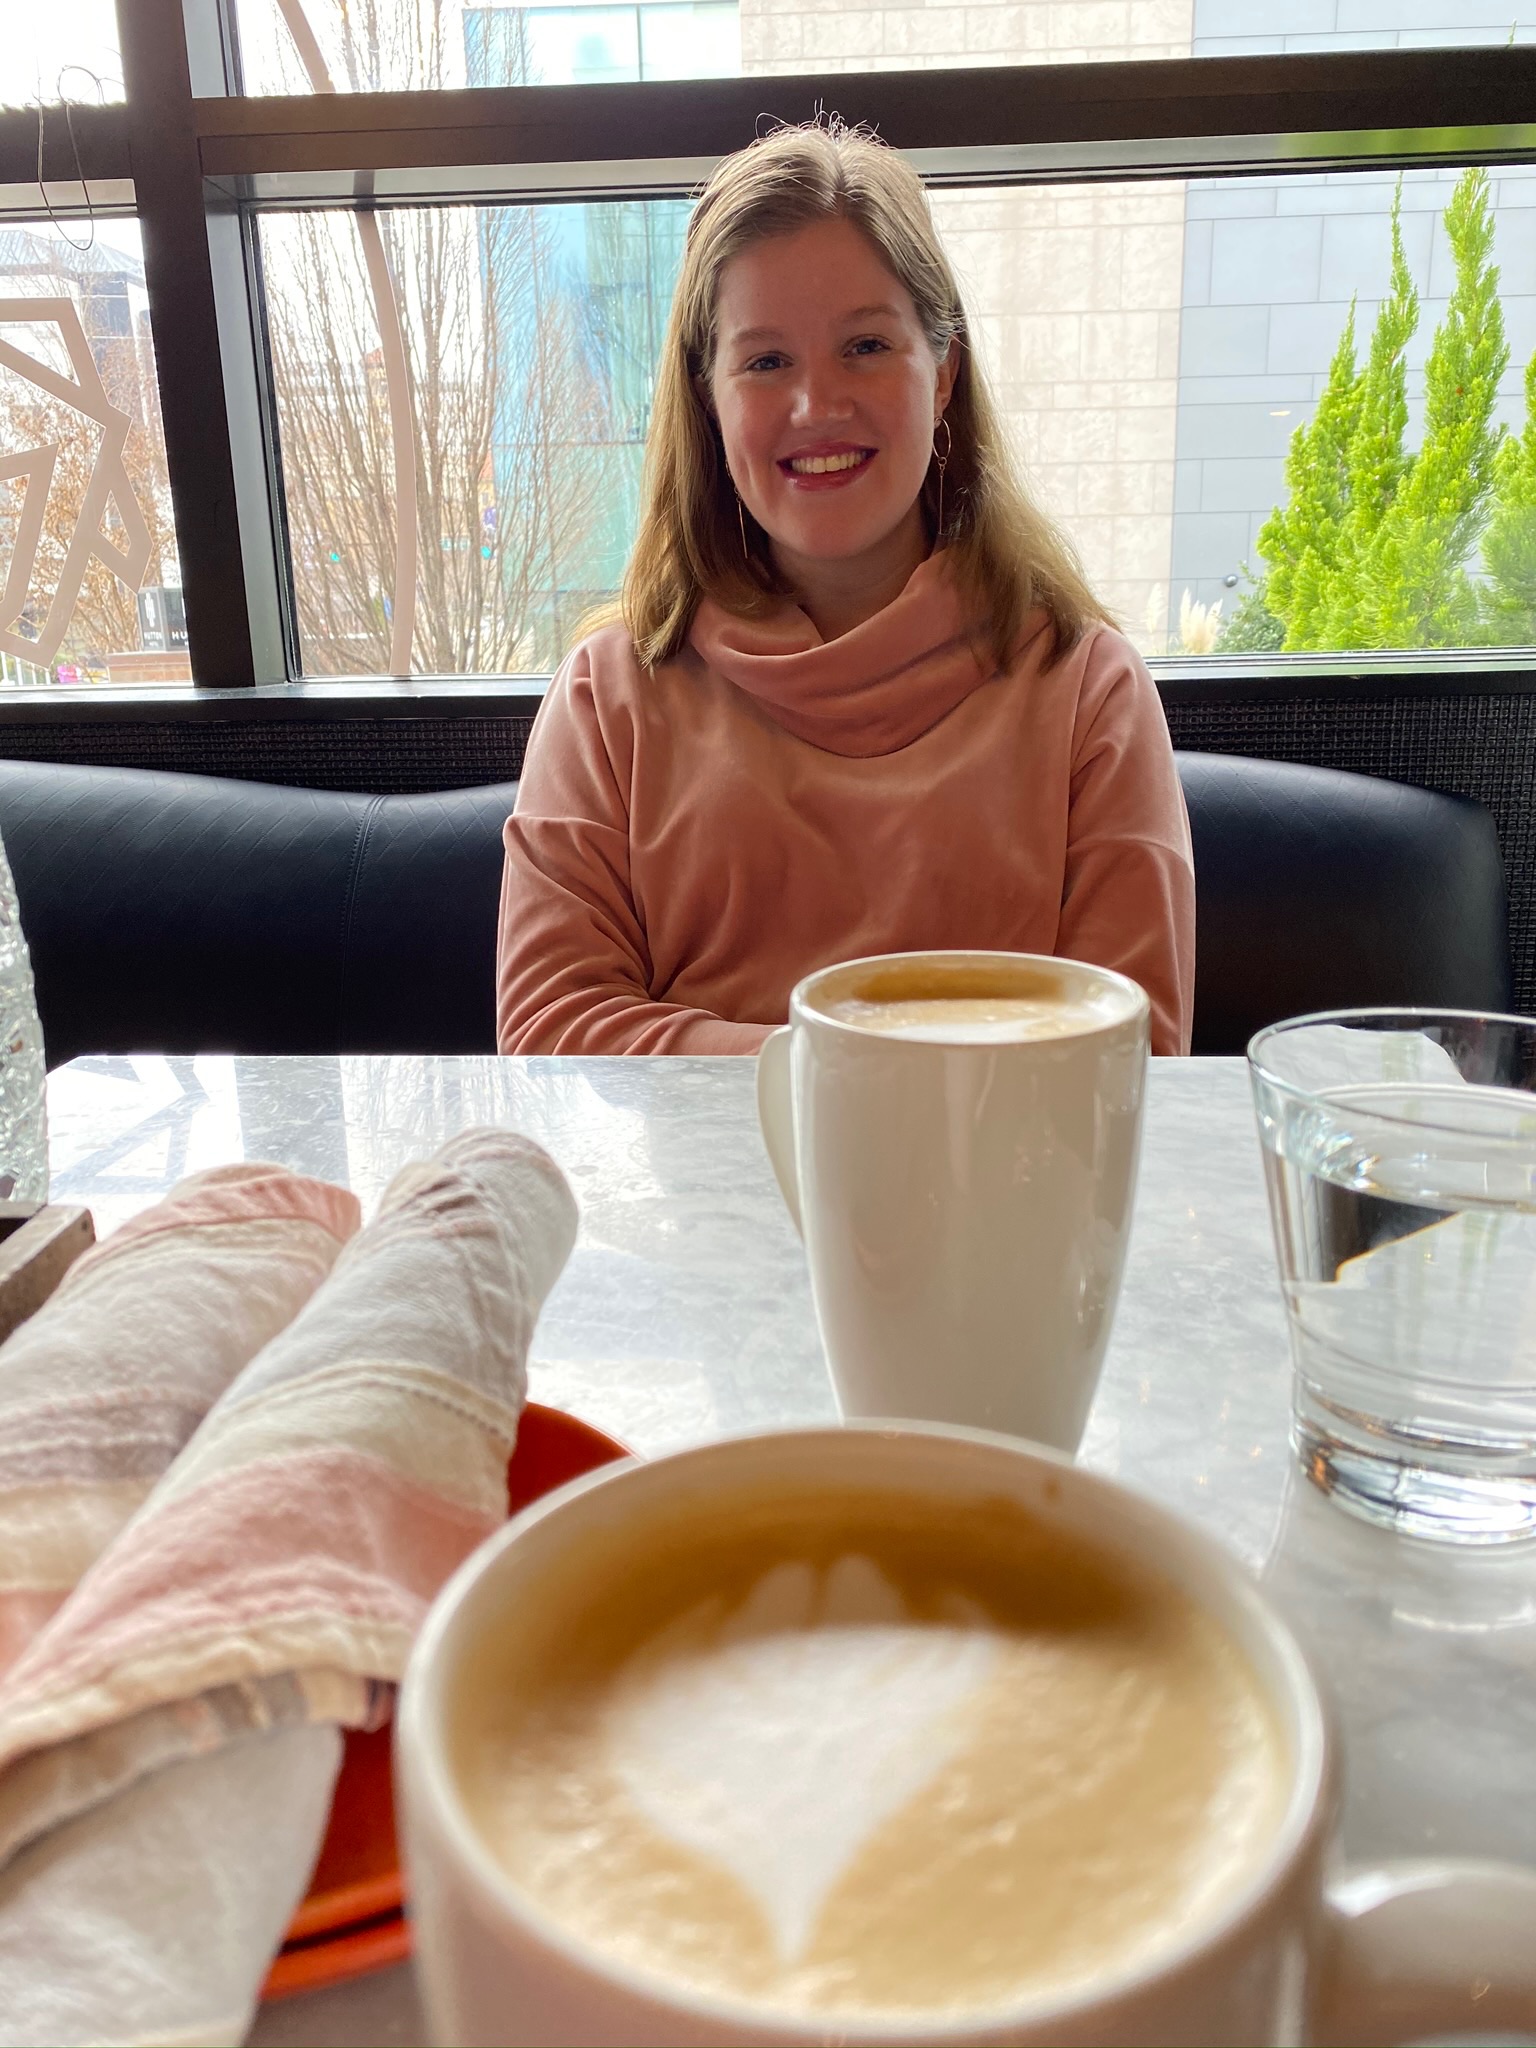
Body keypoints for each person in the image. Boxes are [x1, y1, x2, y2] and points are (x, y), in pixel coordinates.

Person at [497, 120, 1195, 1056]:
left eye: (865, 345)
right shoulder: (607, 696)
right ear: (709, 398)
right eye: (766, 361)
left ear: (942, 374)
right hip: (688, 1202)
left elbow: (1129, 1056)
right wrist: (865, 1070)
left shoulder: (1087, 688)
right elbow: (551, 1034)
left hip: (993, 1203)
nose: (816, 405)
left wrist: (831, 1076)